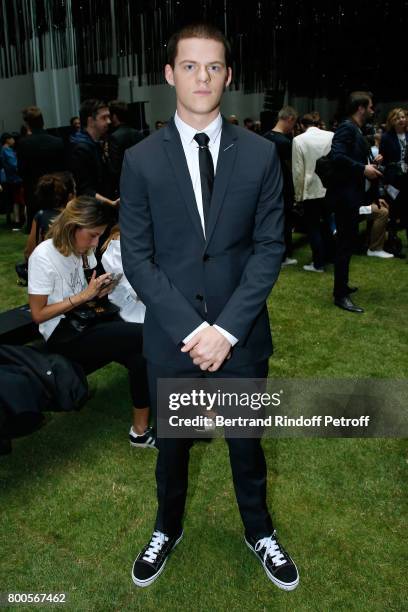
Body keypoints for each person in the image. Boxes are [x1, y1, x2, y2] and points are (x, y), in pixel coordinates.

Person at [120, 22, 299, 591]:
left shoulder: (261, 154)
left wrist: (225, 329)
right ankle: (165, 529)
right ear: (170, 74)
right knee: (171, 453)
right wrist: (194, 330)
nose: (203, 77)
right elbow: (139, 257)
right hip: (173, 341)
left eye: (214, 66)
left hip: (241, 337)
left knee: (247, 449)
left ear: (228, 75)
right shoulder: (141, 159)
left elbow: (270, 247)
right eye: (191, 66)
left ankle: (259, 530)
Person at [28, 196, 152, 447]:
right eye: (93, 236)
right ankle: (184, 411)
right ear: (73, 226)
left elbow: (84, 293)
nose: (96, 242)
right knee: (145, 335)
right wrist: (84, 296)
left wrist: (99, 291)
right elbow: (38, 314)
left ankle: (139, 432)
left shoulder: (82, 249)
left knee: (140, 353)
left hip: (86, 322)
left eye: (99, 236)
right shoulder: (44, 256)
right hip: (62, 336)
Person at [329, 91, 383, 313]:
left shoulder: (354, 129)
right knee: (344, 246)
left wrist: (371, 162)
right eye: (370, 107)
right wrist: (363, 168)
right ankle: (340, 295)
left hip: (350, 196)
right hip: (345, 198)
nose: (372, 111)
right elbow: (337, 156)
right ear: (360, 108)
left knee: (347, 244)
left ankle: (342, 287)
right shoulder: (347, 127)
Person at [101, 225, 152, 447]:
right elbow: (142, 292)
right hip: (128, 318)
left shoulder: (163, 236)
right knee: (144, 353)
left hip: (149, 316)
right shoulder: (117, 247)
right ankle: (139, 431)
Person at [292, 112, 334, 272]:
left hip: (311, 189)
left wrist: (298, 195)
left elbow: (298, 170)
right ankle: (330, 256)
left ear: (302, 125)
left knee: (314, 227)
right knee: (327, 224)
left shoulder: (299, 140)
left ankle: (318, 263)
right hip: (329, 187)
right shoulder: (331, 135)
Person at [17, 106, 65, 230]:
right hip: (56, 191)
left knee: (36, 229)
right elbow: (64, 168)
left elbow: (22, 170)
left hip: (34, 192)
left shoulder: (23, 144)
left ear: (27, 124)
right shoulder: (58, 142)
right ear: (43, 122)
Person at [264, 106, 298, 266]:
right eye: (294, 122)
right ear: (290, 119)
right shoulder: (285, 142)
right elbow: (293, 167)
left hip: (267, 187)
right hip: (283, 187)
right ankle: (284, 256)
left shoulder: (264, 138)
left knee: (270, 222)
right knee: (285, 221)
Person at [69, 99, 118, 207]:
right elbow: (84, 189)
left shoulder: (96, 143)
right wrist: (110, 203)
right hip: (93, 211)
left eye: (109, 117)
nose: (109, 121)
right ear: (91, 121)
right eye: (104, 118)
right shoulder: (81, 148)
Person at [24, 172, 76, 259]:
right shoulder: (77, 218)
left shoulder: (41, 215)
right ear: (70, 196)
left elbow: (30, 251)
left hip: (45, 267)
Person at [379, 108, 408, 245]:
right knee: (394, 211)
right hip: (393, 180)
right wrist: (385, 182)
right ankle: (392, 242)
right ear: (392, 121)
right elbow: (383, 161)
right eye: (397, 118)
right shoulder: (386, 137)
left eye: (402, 117)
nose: (401, 120)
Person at [108, 101, 143, 189]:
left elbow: (115, 168)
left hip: (125, 185)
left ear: (114, 117)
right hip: (141, 181)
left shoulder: (114, 137)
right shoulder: (138, 134)